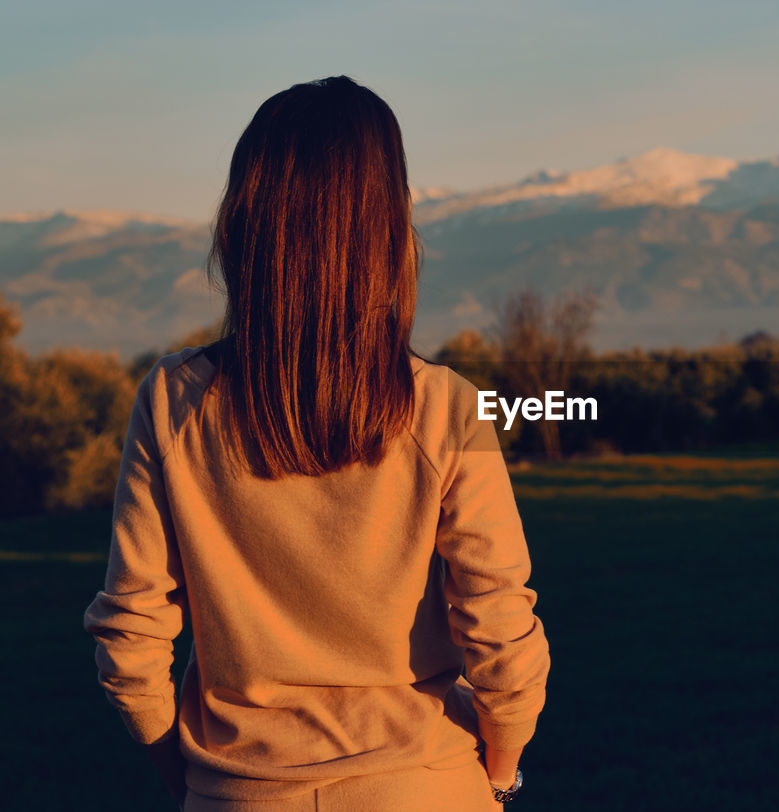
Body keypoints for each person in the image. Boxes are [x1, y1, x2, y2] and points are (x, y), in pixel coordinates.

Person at [82, 75, 551, 811]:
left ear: (245, 225)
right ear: (387, 227)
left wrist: (199, 782)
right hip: (426, 786)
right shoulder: (450, 410)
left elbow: (131, 636)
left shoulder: (173, 401)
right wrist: (500, 772)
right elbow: (501, 629)